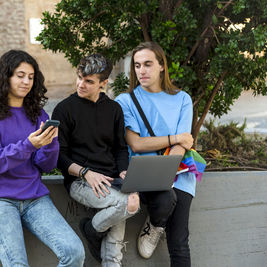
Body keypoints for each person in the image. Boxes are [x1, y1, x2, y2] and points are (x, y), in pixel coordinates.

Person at [0, 50, 85, 267]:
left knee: (74, 252)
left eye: (31, 77)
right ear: (6, 77)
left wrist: (51, 144)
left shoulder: (39, 115)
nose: (26, 81)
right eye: (20, 75)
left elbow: (46, 165)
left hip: (35, 197)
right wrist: (29, 145)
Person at [51, 54, 140, 267]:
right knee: (125, 203)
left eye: (89, 81)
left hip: (111, 180)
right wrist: (85, 173)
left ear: (103, 83)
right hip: (79, 181)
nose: (81, 84)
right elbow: (58, 157)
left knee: (133, 203)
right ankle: (91, 229)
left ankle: (100, 243)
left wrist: (123, 172)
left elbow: (120, 148)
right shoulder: (64, 109)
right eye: (79, 77)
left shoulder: (113, 109)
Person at [115, 42, 195, 266]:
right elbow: (137, 144)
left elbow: (184, 143)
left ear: (161, 66)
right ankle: (158, 219)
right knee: (165, 199)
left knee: (179, 241)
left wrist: (168, 169)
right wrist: (174, 138)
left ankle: (157, 223)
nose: (142, 71)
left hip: (178, 172)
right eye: (137, 65)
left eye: (148, 64)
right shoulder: (125, 101)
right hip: (143, 173)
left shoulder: (182, 99)